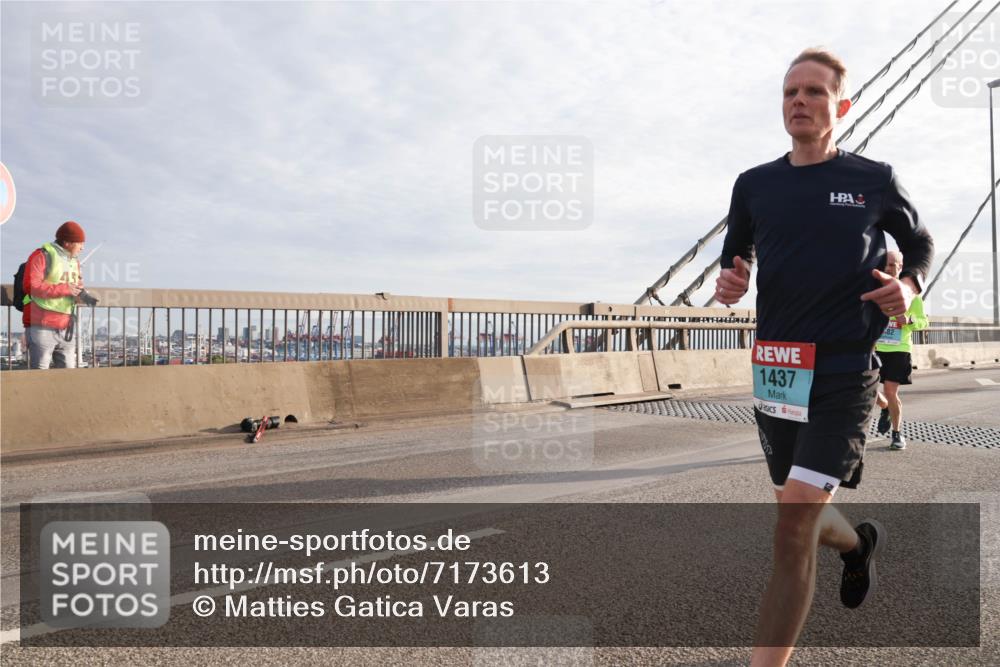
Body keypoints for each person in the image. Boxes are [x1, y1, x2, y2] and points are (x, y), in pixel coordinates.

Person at [714, 48, 933, 667]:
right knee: (796, 503)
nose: (799, 102)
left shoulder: (873, 178)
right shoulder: (754, 184)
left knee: (790, 530)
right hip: (778, 371)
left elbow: (917, 240)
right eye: (790, 92)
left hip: (843, 373)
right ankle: (857, 545)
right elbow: (737, 256)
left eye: (813, 92)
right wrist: (732, 280)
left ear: (840, 106)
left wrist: (908, 284)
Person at [874, 250, 929, 450]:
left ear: (901, 266)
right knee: (866, 389)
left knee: (890, 390)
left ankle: (897, 434)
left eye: (897, 265)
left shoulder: (911, 294)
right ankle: (885, 407)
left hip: (899, 348)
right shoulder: (876, 291)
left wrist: (910, 320)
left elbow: (924, 322)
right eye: (889, 264)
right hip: (875, 346)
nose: (893, 268)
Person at [21, 221, 86, 369]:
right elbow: (31, 286)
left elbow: (76, 285)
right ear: (68, 243)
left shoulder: (74, 262)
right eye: (80, 243)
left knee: (68, 378)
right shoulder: (41, 255)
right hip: (41, 325)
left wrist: (80, 294)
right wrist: (65, 289)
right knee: (39, 376)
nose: (83, 247)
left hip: (65, 326)